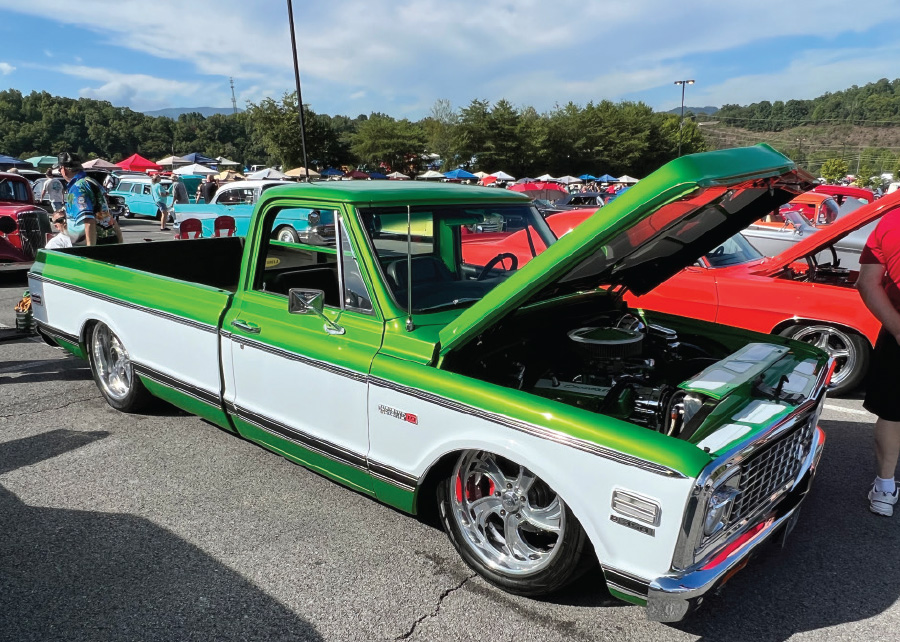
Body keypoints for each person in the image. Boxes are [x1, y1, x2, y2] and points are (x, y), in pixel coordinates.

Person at [858, 206, 900, 515]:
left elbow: (867, 282)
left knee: (892, 411)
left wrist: (898, 329)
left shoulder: (891, 220)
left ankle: (885, 489)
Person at [54, 152, 122, 246]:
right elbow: (108, 214)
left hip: (91, 245)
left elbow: (88, 220)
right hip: (108, 240)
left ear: (64, 169)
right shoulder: (92, 182)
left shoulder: (77, 188)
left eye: (59, 169)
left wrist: (90, 249)